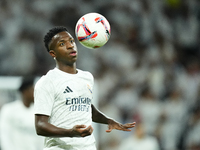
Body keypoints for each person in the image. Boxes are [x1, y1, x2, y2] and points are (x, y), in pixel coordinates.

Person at [34, 26, 136, 150]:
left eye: (71, 41)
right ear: (53, 53)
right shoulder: (47, 82)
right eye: (62, 44)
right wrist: (71, 133)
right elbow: (40, 126)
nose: (70, 46)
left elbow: (86, 107)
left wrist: (108, 121)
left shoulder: (87, 77)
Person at [0, 76, 44, 150]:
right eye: (33, 90)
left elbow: (42, 139)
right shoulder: (9, 110)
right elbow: (4, 134)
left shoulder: (39, 113)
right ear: (25, 91)